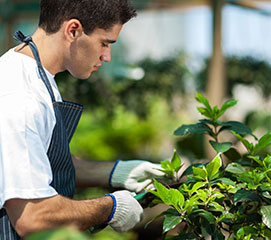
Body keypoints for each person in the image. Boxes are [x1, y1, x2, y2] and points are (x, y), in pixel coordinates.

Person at [0, 0, 164, 239]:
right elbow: (32, 216)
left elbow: (41, 161)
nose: (107, 56)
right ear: (73, 30)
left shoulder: (33, 74)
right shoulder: (20, 98)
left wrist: (117, 172)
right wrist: (110, 207)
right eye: (104, 43)